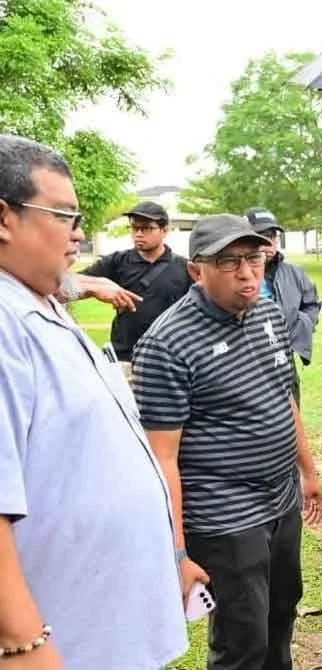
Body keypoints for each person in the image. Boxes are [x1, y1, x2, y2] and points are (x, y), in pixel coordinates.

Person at [0, 134, 187, 668]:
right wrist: (23, 644)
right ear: (4, 218)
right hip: (60, 645)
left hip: (102, 630)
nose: (79, 234)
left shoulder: (37, 298)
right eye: (64, 216)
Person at [132, 214, 322, 670]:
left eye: (254, 258)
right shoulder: (167, 343)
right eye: (229, 262)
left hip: (281, 500)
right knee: (243, 639)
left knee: (282, 610)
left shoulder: (267, 311)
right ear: (196, 270)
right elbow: (162, 458)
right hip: (224, 517)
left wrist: (309, 471)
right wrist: (177, 550)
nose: (246, 273)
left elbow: (284, 395)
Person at [68, 200, 192, 362]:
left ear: (164, 230)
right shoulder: (117, 261)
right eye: (134, 227)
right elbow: (70, 284)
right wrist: (94, 288)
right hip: (126, 354)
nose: (138, 233)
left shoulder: (184, 267)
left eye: (147, 228)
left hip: (170, 356)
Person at [245, 207, 322, 406]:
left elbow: (311, 304)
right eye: (260, 236)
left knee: (291, 414)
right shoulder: (238, 275)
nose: (268, 242)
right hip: (245, 359)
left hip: (283, 358)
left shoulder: (294, 273)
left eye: (272, 236)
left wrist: (301, 327)